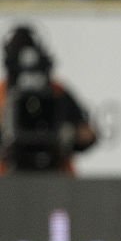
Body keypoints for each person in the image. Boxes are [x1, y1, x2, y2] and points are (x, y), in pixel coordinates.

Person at [0, 25, 98, 174]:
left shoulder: (56, 92)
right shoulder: (2, 93)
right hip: (8, 176)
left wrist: (68, 134)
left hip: (56, 172)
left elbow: (88, 134)